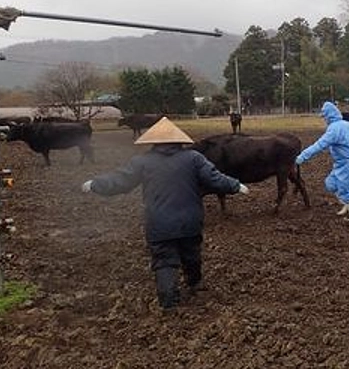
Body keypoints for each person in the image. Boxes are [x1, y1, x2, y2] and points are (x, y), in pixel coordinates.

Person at [81, 116, 249, 311]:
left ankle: (169, 303)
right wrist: (236, 186)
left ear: (154, 141)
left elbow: (120, 181)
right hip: (189, 221)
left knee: (164, 261)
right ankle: (194, 285)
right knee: (191, 255)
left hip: (159, 223)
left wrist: (95, 184)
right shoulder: (194, 158)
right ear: (179, 140)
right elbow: (215, 178)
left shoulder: (142, 162)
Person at [295, 101, 349, 224]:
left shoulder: (334, 129)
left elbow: (320, 145)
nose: (324, 119)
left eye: (324, 117)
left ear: (329, 115)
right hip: (342, 162)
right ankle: (347, 204)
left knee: (346, 188)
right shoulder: (347, 125)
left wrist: (302, 157)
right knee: (331, 183)